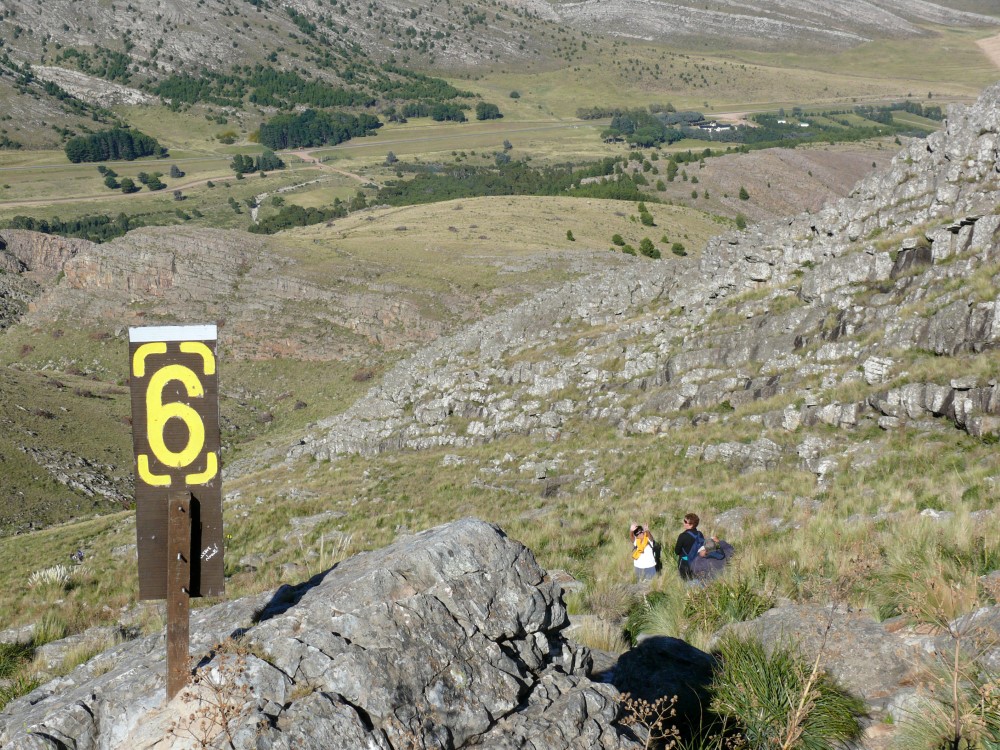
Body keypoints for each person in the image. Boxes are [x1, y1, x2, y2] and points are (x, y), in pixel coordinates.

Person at [674, 513, 707, 581]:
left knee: (687, 582)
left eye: (685, 522)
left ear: (691, 524)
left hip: (685, 563)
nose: (684, 523)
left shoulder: (682, 536)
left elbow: (677, 551)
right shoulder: (699, 534)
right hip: (698, 562)